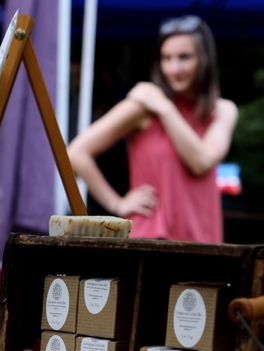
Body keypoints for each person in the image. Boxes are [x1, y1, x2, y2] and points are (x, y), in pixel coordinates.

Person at [68, 15, 237, 243]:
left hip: (203, 241)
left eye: (184, 57)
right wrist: (117, 204)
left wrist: (166, 109)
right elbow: (76, 153)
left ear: (204, 59)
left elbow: (201, 162)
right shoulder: (143, 107)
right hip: (152, 240)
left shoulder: (222, 110)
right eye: (166, 58)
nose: (174, 68)